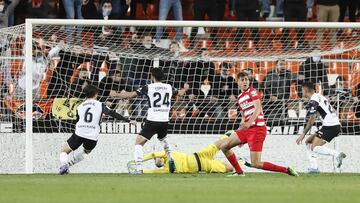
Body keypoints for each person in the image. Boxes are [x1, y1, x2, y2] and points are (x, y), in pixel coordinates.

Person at [219, 71, 298, 176]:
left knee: (256, 163)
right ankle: (239, 172)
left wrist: (249, 123)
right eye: (242, 80)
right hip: (246, 130)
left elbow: (258, 108)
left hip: (257, 129)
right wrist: (241, 132)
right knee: (224, 146)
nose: (245, 82)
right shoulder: (239, 97)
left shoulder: (252, 91)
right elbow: (243, 117)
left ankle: (286, 170)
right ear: (237, 82)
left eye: (246, 79)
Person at [118, 68, 185, 174]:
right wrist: (185, 89)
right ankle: (171, 158)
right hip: (164, 120)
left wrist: (116, 94)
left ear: (152, 76)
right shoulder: (169, 87)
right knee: (163, 139)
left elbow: (131, 95)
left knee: (139, 143)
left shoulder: (148, 87)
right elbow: (180, 93)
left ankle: (139, 169)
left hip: (153, 119)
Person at [59, 85, 136, 175]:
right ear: (95, 94)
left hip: (79, 133)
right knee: (86, 152)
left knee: (64, 151)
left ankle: (64, 164)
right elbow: (112, 113)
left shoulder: (80, 106)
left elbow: (77, 121)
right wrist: (128, 120)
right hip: (92, 136)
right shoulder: (100, 105)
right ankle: (69, 165)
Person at [129, 131, 243, 174]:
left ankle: (234, 135)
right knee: (230, 168)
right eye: (156, 162)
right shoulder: (167, 169)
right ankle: (241, 162)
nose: (156, 161)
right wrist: (141, 170)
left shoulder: (165, 154)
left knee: (220, 143)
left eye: (156, 160)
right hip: (204, 166)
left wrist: (138, 160)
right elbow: (152, 171)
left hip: (200, 155)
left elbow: (153, 154)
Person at [296, 82, 346, 173]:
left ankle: (337, 154)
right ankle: (314, 168)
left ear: (305, 90)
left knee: (314, 147)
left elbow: (312, 119)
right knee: (308, 142)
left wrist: (303, 134)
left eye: (302, 90)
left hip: (331, 126)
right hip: (331, 125)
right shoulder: (319, 96)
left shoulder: (314, 100)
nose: (301, 92)